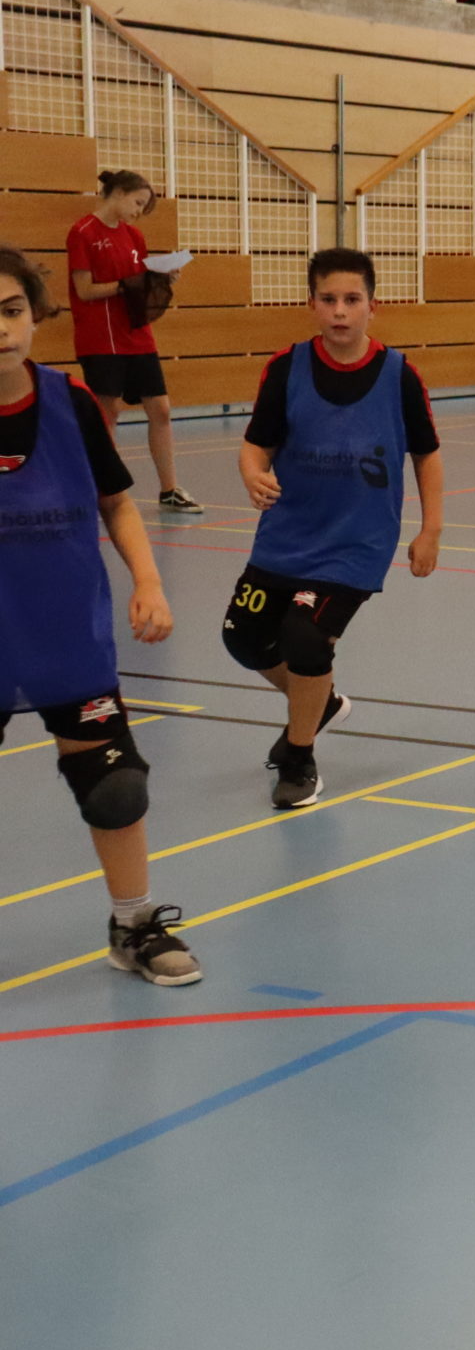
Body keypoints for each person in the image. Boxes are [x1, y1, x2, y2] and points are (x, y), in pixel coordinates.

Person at [0, 244, 199, 985]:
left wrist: (149, 581)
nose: (1, 328)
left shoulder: (72, 404)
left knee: (116, 786)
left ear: (35, 316)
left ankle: (134, 923)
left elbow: (116, 502)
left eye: (12, 310)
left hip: (65, 636)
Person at [229, 248, 443, 809]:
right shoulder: (286, 368)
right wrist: (252, 474)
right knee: (243, 637)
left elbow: (426, 453)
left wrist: (431, 530)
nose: (340, 311)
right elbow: (256, 445)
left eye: (352, 299)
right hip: (287, 534)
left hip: (356, 543)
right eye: (329, 300)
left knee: (305, 637)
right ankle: (318, 701)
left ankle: (299, 757)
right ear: (312, 304)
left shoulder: (399, 376)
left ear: (373, 305)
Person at [68, 170, 197, 512]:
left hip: (137, 334)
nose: (139, 212)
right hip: (101, 337)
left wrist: (161, 277)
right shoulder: (83, 232)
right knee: (107, 414)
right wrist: (125, 285)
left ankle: (169, 490)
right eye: (138, 203)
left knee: (161, 409)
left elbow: (138, 282)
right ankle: (104, 490)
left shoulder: (134, 236)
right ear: (119, 193)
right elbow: (84, 290)